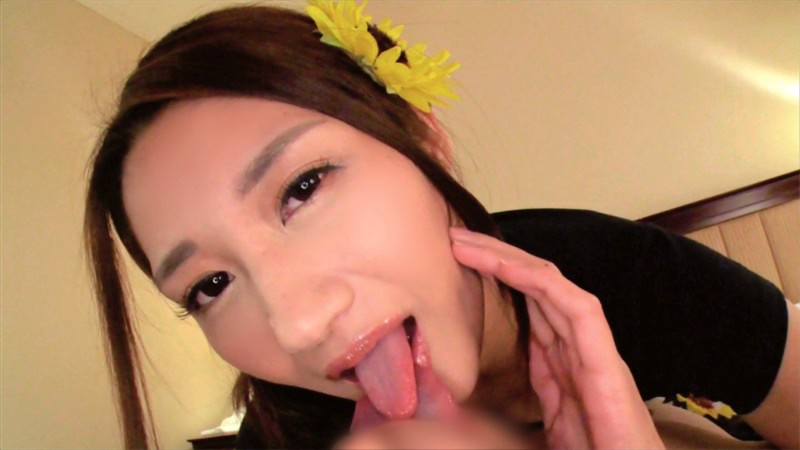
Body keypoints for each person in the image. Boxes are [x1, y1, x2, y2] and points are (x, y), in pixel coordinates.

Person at [83, 1, 799, 449]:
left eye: (302, 188)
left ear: (424, 142)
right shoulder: (284, 436)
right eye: (210, 285)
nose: (295, 325)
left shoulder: (626, 272)